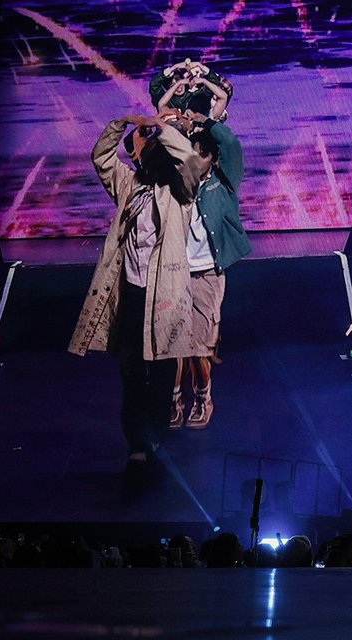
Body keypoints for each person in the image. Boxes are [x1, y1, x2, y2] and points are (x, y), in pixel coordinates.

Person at [69, 112, 203, 478]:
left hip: (163, 300)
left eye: (147, 151)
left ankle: (153, 438)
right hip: (130, 294)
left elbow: (190, 161)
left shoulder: (180, 193)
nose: (139, 156)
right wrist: (122, 122)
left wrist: (164, 129)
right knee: (131, 377)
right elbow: (101, 157)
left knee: (159, 377)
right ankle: (137, 445)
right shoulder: (128, 186)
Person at [153, 65, 249, 431]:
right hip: (174, 271)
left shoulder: (224, 180)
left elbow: (229, 142)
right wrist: (173, 80)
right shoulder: (174, 182)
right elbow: (160, 120)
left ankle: (204, 397)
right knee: (172, 346)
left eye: (198, 151)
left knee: (198, 349)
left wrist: (206, 117)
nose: (192, 157)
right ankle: (174, 402)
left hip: (207, 273)